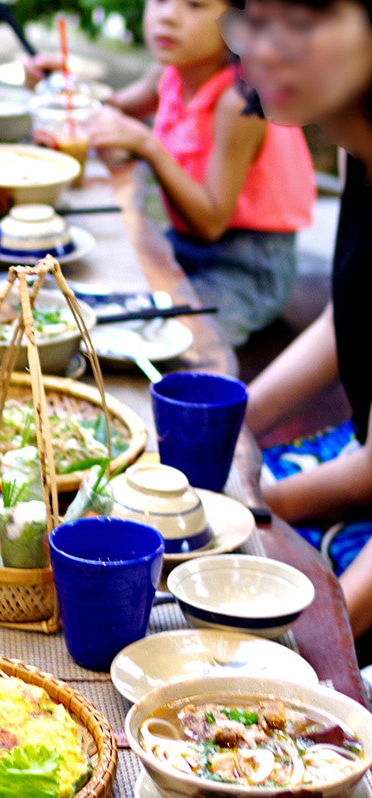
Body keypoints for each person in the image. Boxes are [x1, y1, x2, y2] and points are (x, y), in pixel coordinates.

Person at [26, 0, 316, 346]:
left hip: (245, 265)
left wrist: (149, 146)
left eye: (194, 5)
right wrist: (64, 87)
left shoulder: (240, 100)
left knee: (176, 343)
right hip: (183, 244)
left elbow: (210, 224)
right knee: (94, 302)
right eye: (160, 0)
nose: (168, 16)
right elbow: (108, 112)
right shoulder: (170, 74)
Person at [234, 0, 372, 647]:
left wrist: (258, 506)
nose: (264, 49)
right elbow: (347, 317)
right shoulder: (357, 148)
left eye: (302, 19)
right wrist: (232, 426)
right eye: (257, 21)